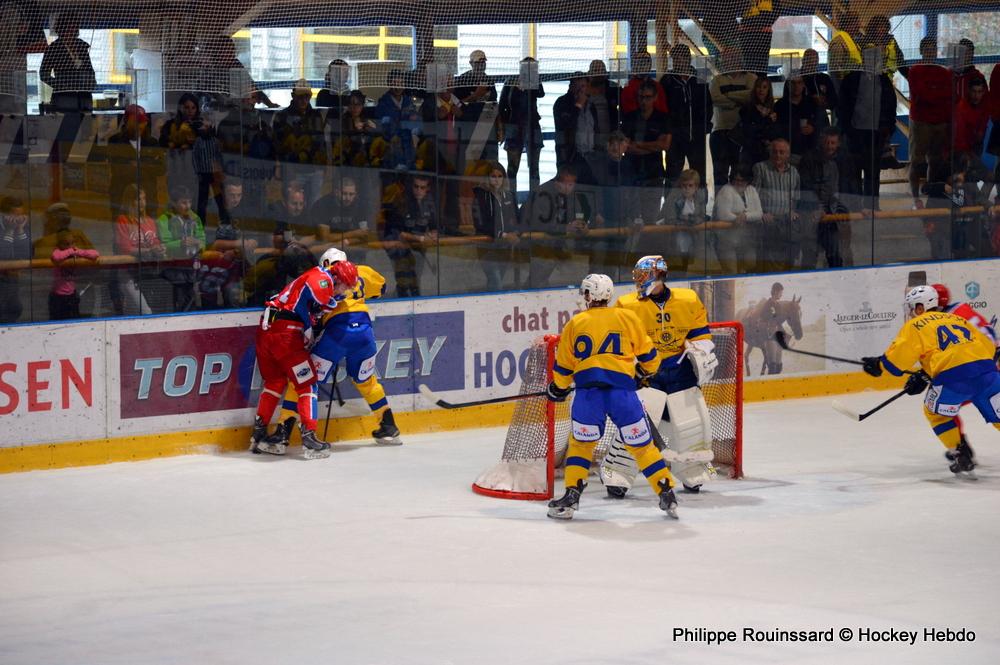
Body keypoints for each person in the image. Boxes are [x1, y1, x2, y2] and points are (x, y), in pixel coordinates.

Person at [544, 273, 678, 520]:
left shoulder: (575, 323)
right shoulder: (627, 317)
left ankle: (572, 496)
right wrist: (642, 373)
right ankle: (666, 490)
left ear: (588, 295)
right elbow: (650, 358)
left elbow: (563, 369)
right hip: (623, 395)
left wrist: (557, 388)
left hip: (589, 396)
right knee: (642, 446)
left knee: (581, 445)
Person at [601, 255, 718, 496]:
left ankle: (692, 470)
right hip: (647, 371)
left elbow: (700, 336)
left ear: (659, 276)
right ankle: (618, 472)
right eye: (638, 276)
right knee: (637, 424)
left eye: (643, 276)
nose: (639, 281)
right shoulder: (627, 304)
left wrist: (700, 351)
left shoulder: (688, 299)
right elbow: (618, 342)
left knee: (691, 421)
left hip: (679, 368)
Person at [263, 248, 402, 449]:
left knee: (303, 381)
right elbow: (382, 287)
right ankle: (389, 426)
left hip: (337, 334)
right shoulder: (362, 271)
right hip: (364, 333)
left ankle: (282, 433)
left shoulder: (322, 278)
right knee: (366, 381)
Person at [861, 285, 1000, 476]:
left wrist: (879, 364)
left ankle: (960, 453)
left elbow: (897, 361)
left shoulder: (916, 325)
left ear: (920, 307)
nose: (910, 312)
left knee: (936, 413)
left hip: (954, 381)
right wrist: (926, 373)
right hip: (989, 375)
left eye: (912, 308)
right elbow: (988, 348)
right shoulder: (958, 319)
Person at [250, 258, 359, 459]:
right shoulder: (323, 282)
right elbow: (307, 308)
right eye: (345, 285)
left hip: (267, 331)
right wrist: (308, 334)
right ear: (336, 277)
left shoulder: (313, 276)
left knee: (275, 382)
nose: (344, 290)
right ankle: (309, 437)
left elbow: (303, 304)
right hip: (286, 334)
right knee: (308, 385)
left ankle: (259, 434)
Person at [906, 37, 953, 210]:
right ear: (921, 51)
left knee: (935, 161)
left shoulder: (944, 72)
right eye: (927, 50)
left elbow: (947, 94)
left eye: (932, 50)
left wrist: (933, 93)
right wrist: (935, 94)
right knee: (917, 161)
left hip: (940, 122)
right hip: (920, 122)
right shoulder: (915, 70)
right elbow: (921, 95)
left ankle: (932, 193)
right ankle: (915, 198)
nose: (930, 53)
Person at [661, 44, 711, 189]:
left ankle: (700, 209)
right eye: (674, 58)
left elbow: (707, 104)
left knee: (699, 174)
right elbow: (664, 108)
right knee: (673, 175)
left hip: (696, 136)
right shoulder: (668, 80)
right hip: (675, 138)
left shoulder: (699, 78)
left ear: (688, 58)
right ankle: (670, 209)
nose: (677, 61)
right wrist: (669, 130)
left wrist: (705, 125)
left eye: (680, 58)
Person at [113, 184, 167, 315]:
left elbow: (155, 241)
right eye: (138, 199)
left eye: (144, 198)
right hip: (128, 274)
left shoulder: (149, 221)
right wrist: (149, 251)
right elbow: (125, 248)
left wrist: (160, 248)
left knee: (132, 312)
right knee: (146, 312)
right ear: (130, 201)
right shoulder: (123, 220)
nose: (142, 202)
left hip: (146, 273)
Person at [382, 174, 438, 297]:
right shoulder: (402, 202)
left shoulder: (430, 202)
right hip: (400, 248)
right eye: (416, 187)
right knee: (403, 279)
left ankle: (414, 299)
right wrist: (420, 238)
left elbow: (434, 225)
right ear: (411, 187)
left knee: (416, 279)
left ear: (427, 188)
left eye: (422, 187)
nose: (419, 190)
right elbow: (397, 232)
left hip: (419, 249)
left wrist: (433, 234)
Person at [710, 47, 756, 190]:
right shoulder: (716, 80)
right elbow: (715, 98)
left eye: (732, 57)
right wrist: (738, 101)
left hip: (742, 134)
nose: (729, 60)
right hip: (720, 132)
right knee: (720, 175)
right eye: (726, 58)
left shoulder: (751, 78)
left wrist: (728, 95)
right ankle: (720, 208)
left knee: (740, 175)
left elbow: (751, 96)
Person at [752, 138, 801, 271]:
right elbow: (753, 196)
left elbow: (796, 197)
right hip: (768, 221)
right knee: (770, 262)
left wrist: (793, 211)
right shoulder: (760, 168)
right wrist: (761, 213)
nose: (778, 155)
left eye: (781, 152)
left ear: (788, 155)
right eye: (775, 152)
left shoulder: (794, 172)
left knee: (790, 259)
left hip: (787, 221)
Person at [156, 185, 207, 312]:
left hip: (192, 270)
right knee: (178, 302)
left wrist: (197, 242)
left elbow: (203, 242)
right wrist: (180, 243)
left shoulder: (195, 218)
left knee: (191, 302)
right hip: (172, 270)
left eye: (189, 201)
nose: (188, 206)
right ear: (173, 203)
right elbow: (163, 244)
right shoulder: (164, 219)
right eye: (184, 202)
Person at [498, 57, 545, 193]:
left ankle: (534, 201)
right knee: (512, 167)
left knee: (534, 168)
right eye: (526, 67)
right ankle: (510, 202)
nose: (529, 70)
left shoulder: (534, 82)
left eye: (533, 68)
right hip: (514, 126)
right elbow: (502, 106)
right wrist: (504, 127)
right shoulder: (510, 81)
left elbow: (541, 93)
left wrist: (532, 81)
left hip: (532, 125)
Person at [471, 161, 520, 292]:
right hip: (487, 247)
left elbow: (516, 218)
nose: (497, 180)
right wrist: (502, 234)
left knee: (496, 282)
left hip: (505, 248)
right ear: (487, 177)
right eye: (493, 176)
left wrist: (516, 232)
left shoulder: (509, 195)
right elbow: (480, 223)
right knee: (496, 280)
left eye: (500, 176)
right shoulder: (480, 196)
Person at [38, 11, 95, 112]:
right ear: (62, 28)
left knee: (86, 122)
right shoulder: (54, 48)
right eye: (70, 26)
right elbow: (43, 74)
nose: (73, 30)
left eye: (75, 26)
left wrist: (91, 82)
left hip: (84, 96)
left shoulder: (81, 46)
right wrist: (61, 85)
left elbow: (89, 69)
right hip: (64, 97)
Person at [712, 166, 762, 274]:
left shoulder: (752, 190)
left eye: (742, 180)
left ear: (748, 180)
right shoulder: (726, 190)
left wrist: (745, 216)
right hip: (726, 242)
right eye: (736, 180)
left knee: (751, 263)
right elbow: (723, 214)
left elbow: (759, 213)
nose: (739, 183)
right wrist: (736, 218)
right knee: (731, 271)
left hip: (746, 241)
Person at [0, 196, 30, 323]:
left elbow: (26, 254)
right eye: (15, 216)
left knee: (14, 308)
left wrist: (20, 230)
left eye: (21, 215)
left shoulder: (21, 226)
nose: (19, 219)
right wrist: (9, 231)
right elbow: (4, 256)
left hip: (13, 281)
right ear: (3, 215)